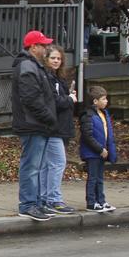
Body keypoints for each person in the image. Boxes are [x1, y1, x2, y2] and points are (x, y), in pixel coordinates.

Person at [11, 30, 57, 221]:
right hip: (33, 124)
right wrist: (48, 117)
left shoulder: (35, 66)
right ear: (33, 47)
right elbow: (31, 99)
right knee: (31, 167)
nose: (46, 48)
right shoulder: (28, 67)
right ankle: (28, 204)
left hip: (38, 123)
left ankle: (35, 203)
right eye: (43, 45)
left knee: (36, 166)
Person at [39, 44, 77, 215]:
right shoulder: (48, 78)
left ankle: (45, 198)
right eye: (53, 58)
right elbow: (54, 102)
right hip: (53, 128)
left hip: (59, 127)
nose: (56, 61)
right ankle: (53, 199)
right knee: (57, 163)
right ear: (46, 59)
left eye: (59, 58)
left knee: (49, 165)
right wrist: (70, 99)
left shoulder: (57, 78)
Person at [79, 85, 117, 212]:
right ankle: (91, 202)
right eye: (104, 99)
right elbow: (87, 136)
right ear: (95, 101)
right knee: (93, 178)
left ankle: (101, 200)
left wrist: (107, 149)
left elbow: (107, 133)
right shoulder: (88, 115)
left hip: (101, 152)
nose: (106, 101)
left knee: (99, 178)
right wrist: (100, 149)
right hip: (93, 152)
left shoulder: (103, 114)